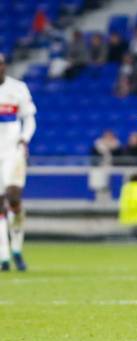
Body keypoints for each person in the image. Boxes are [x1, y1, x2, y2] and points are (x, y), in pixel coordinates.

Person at [0, 54, 36, 272]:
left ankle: (17, 248)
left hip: (13, 149)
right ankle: (4, 256)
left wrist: (24, 139)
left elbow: (29, 117)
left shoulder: (18, 88)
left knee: (14, 198)